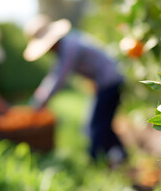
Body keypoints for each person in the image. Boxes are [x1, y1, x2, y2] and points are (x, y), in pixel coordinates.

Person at [23, 14, 127, 164]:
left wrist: (39, 102)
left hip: (110, 81)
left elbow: (59, 77)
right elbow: (55, 73)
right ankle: (121, 156)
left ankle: (96, 162)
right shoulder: (67, 44)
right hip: (106, 82)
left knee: (94, 126)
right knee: (101, 123)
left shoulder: (69, 46)